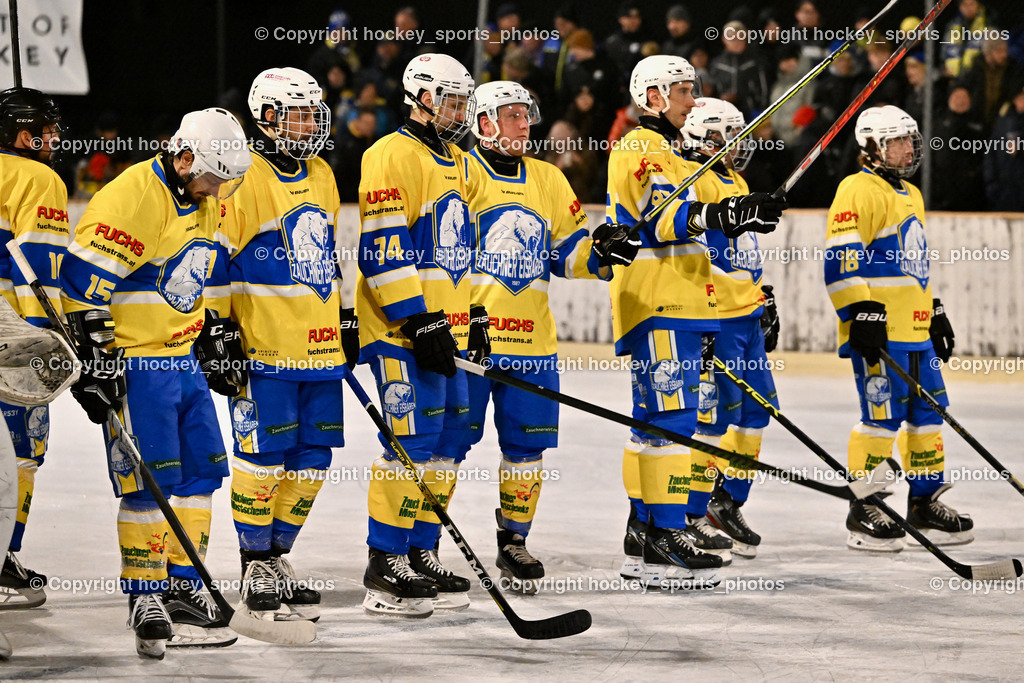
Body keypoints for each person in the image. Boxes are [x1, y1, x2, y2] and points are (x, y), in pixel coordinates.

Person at [59, 108, 251, 658]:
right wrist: (94, 361)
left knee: (200, 474)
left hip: (182, 359)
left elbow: (197, 274)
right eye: (215, 176)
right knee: (148, 484)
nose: (221, 189)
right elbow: (81, 287)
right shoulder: (135, 196)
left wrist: (213, 328)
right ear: (184, 156)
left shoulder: (206, 195)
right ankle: (145, 593)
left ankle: (185, 583)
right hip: (138, 366)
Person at [609, 55, 787, 588]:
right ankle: (665, 537)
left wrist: (741, 210)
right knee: (672, 420)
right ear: (654, 96)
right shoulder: (640, 146)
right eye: (684, 90)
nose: (692, 98)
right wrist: (726, 214)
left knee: (656, 422)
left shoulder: (676, 153)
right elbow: (662, 218)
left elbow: (704, 220)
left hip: (684, 301)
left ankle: (643, 534)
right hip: (660, 301)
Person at [454, 81, 638, 593]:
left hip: (533, 342)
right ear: (484, 123)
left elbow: (567, 253)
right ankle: (421, 546)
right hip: (472, 341)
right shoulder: (460, 172)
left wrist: (603, 256)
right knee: (447, 446)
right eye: (511, 115)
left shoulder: (550, 178)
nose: (524, 124)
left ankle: (514, 541)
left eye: (525, 114)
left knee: (526, 451)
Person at [210, 67, 354, 624]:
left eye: (315, 112)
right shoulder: (244, 177)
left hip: (319, 352)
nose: (312, 123)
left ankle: (278, 554)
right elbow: (214, 255)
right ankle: (253, 562)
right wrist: (216, 327)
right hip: (263, 350)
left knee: (313, 460)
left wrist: (344, 317)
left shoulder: (320, 172)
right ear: (266, 117)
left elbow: (327, 253)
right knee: (263, 459)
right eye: (299, 113)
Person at [355, 53, 476, 618]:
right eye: (451, 101)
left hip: (443, 329)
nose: (460, 112)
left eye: (462, 102)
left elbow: (458, 252)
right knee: (410, 442)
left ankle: (420, 550)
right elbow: (381, 247)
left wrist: (466, 320)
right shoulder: (389, 154)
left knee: (449, 441)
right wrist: (416, 317)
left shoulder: (458, 159)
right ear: (421, 98)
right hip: (401, 330)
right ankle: (385, 563)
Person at [824, 105, 972, 553]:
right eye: (898, 141)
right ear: (871, 147)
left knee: (929, 415)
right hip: (880, 332)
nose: (909, 148)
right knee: (881, 419)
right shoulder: (857, 189)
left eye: (911, 139)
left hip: (916, 329)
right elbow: (840, 260)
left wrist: (936, 308)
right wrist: (860, 315)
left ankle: (924, 503)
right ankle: (865, 507)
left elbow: (912, 263)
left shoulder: (910, 192)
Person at [681, 98, 781, 561]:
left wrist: (764, 297)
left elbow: (745, 253)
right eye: (726, 136)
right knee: (711, 420)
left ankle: (728, 500)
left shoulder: (735, 179)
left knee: (757, 413)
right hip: (716, 319)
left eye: (740, 135)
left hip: (746, 320)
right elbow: (695, 256)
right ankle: (692, 511)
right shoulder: (691, 180)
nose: (736, 145)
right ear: (701, 137)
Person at [0, 87, 68, 610]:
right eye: (45, 129)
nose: (53, 138)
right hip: (9, 345)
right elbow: (38, 275)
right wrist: (51, 348)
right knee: (21, 456)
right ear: (24, 136)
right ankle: (3, 561)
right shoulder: (38, 178)